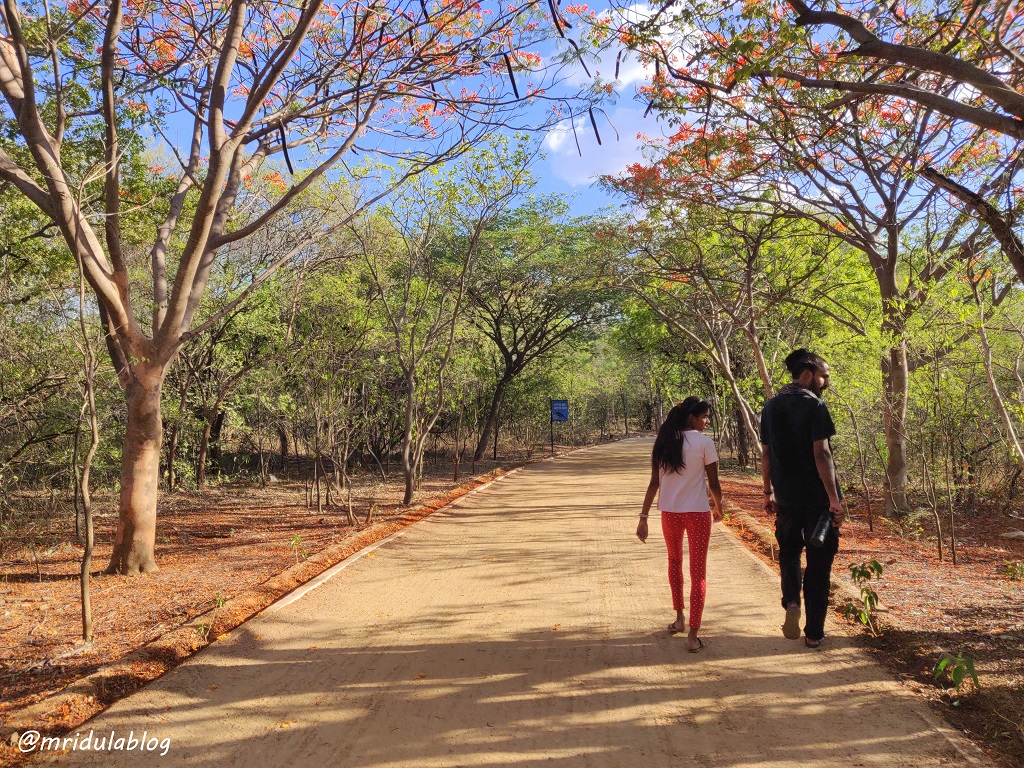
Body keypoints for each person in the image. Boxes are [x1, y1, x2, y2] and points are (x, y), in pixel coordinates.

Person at [760, 349, 847, 648]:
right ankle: (813, 634)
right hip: (818, 501)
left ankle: (791, 602)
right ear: (807, 374)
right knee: (819, 564)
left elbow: (766, 453)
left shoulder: (770, 407)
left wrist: (768, 491)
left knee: (788, 553)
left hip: (785, 497)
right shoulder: (815, 406)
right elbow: (821, 453)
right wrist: (834, 499)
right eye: (824, 376)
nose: (826, 382)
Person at [637, 397, 723, 653]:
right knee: (699, 573)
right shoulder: (704, 443)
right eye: (704, 417)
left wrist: (643, 517)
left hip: (670, 514)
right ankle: (693, 635)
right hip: (697, 514)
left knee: (674, 562)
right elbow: (714, 483)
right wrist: (719, 507)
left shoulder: (664, 441)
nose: (706, 422)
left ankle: (679, 619)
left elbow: (654, 483)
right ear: (691, 418)